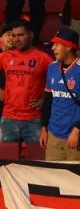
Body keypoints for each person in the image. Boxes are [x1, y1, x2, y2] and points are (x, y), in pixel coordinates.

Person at [0, 21, 53, 144]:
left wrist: (44, 99)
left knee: (34, 161)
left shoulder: (43, 58)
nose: (16, 39)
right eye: (13, 36)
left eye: (20, 35)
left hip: (34, 119)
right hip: (9, 117)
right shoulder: (6, 56)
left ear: (31, 35)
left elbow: (56, 80)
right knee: (5, 160)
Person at [41, 27, 80, 160]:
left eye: (57, 44)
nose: (53, 48)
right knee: (52, 178)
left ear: (69, 47)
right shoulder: (52, 67)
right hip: (54, 134)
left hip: (75, 136)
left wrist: (77, 130)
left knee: (74, 179)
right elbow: (48, 99)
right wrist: (43, 127)